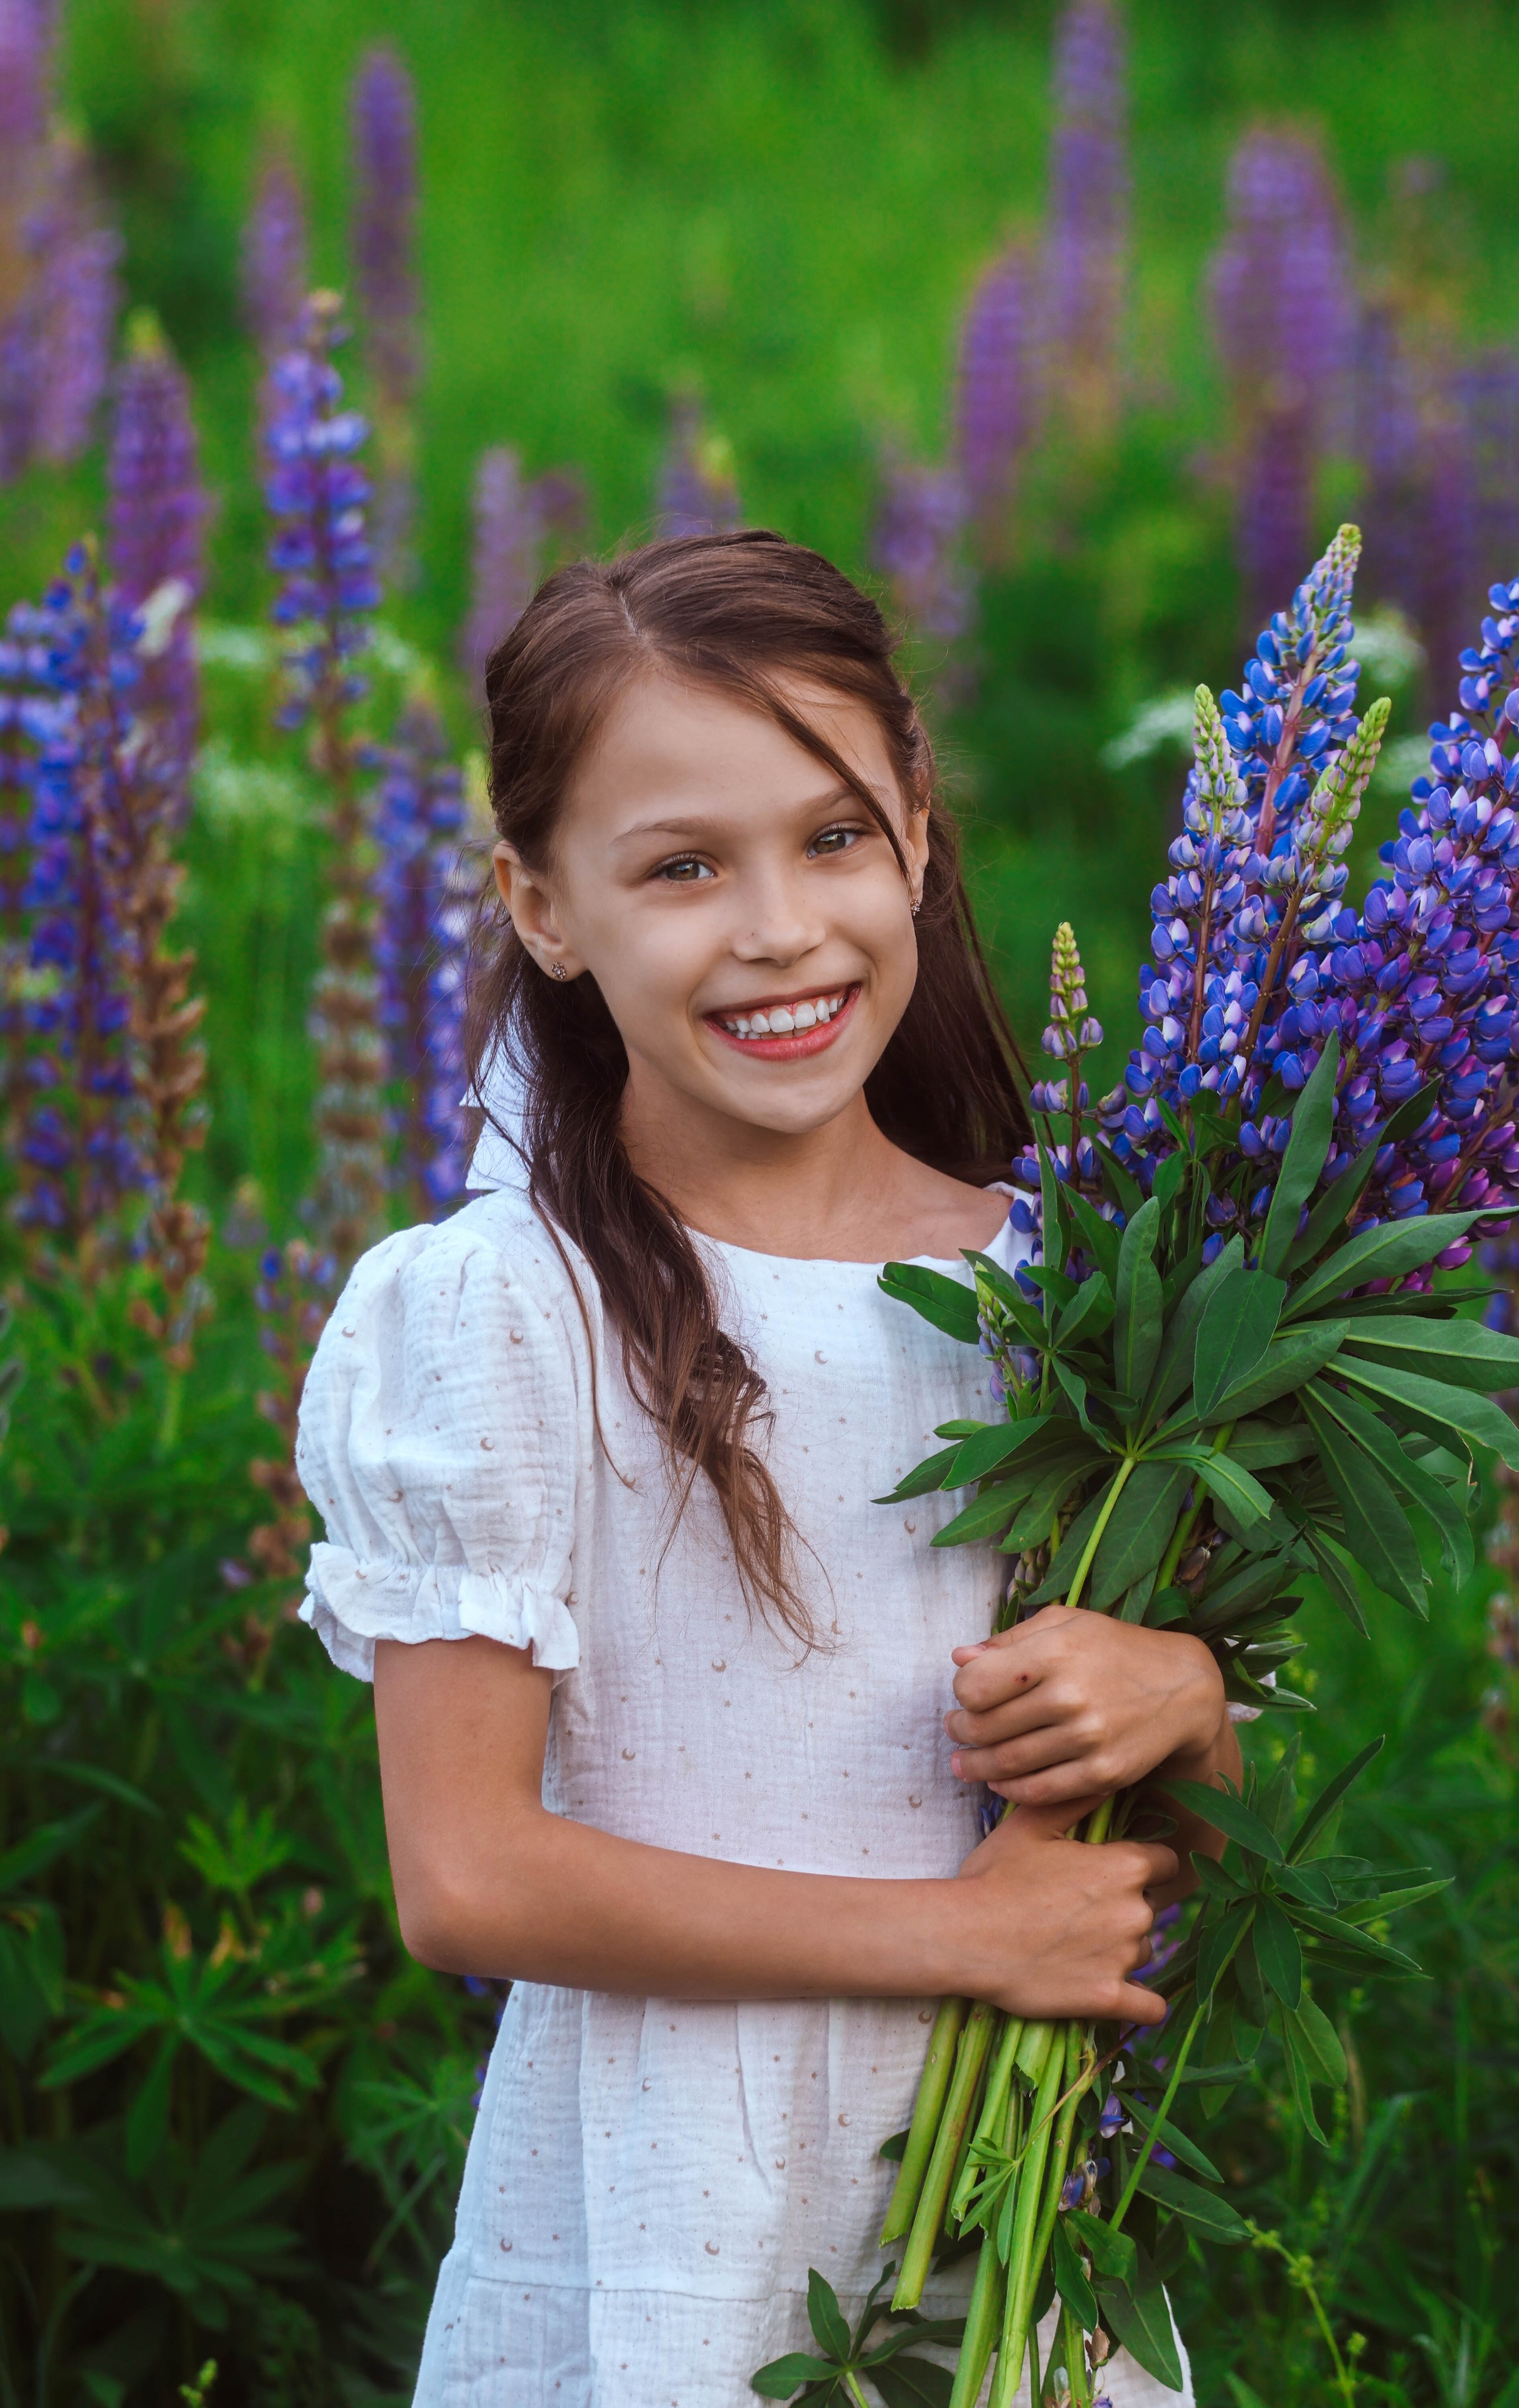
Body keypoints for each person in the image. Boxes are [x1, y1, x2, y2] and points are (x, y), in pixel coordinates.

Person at [295, 531, 1241, 2406]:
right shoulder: (503, 1306)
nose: (782, 928)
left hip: (1010, 2206)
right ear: (542, 908)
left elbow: (1159, 1878)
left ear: (916, 824)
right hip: (661, 2221)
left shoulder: (1067, 1286)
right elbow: (464, 1875)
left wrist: (1187, 1707)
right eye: (679, 868)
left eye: (830, 836)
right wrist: (954, 1937)